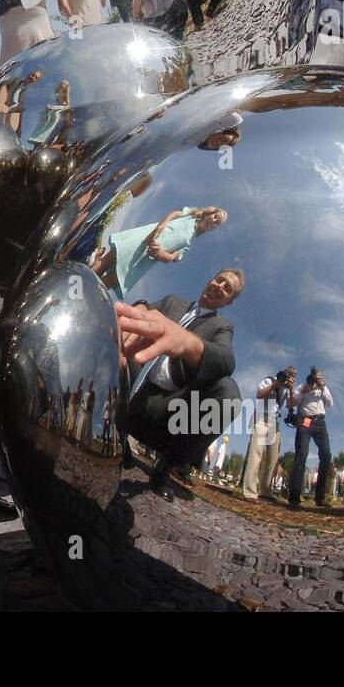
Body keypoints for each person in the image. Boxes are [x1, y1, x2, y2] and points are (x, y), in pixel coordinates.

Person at [115, 268, 245, 501]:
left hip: (165, 412)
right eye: (219, 280)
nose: (220, 287)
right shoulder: (173, 302)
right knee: (119, 333)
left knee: (228, 392)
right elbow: (139, 314)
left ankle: (166, 467)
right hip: (128, 387)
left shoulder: (221, 326)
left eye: (228, 289)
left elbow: (225, 360)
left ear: (229, 301)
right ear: (210, 279)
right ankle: (114, 436)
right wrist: (142, 305)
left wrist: (189, 344)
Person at [90, 205, 228, 299]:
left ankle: (88, 295)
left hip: (144, 258)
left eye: (217, 223)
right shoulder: (189, 216)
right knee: (111, 257)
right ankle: (83, 279)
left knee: (115, 277)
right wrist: (161, 225)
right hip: (143, 238)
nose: (213, 221)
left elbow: (171, 257)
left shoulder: (187, 243)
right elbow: (175, 214)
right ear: (211, 212)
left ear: (214, 229)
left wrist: (160, 253)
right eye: (215, 217)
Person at [242, 366, 294, 501]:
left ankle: (266, 490)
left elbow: (290, 405)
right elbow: (259, 394)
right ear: (284, 373)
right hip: (260, 418)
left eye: (294, 376)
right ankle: (250, 492)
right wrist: (275, 384)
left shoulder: (287, 390)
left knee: (273, 457)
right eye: (289, 375)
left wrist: (292, 390)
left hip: (274, 421)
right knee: (256, 454)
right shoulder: (269, 381)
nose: (290, 378)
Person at [286, 367, 333, 508]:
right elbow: (290, 404)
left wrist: (323, 386)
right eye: (314, 377)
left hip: (320, 422)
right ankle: (294, 497)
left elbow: (330, 403)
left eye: (318, 378)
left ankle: (320, 497)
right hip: (305, 421)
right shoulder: (302, 387)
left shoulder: (323, 389)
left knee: (326, 455)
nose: (315, 380)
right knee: (301, 455)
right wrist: (302, 392)